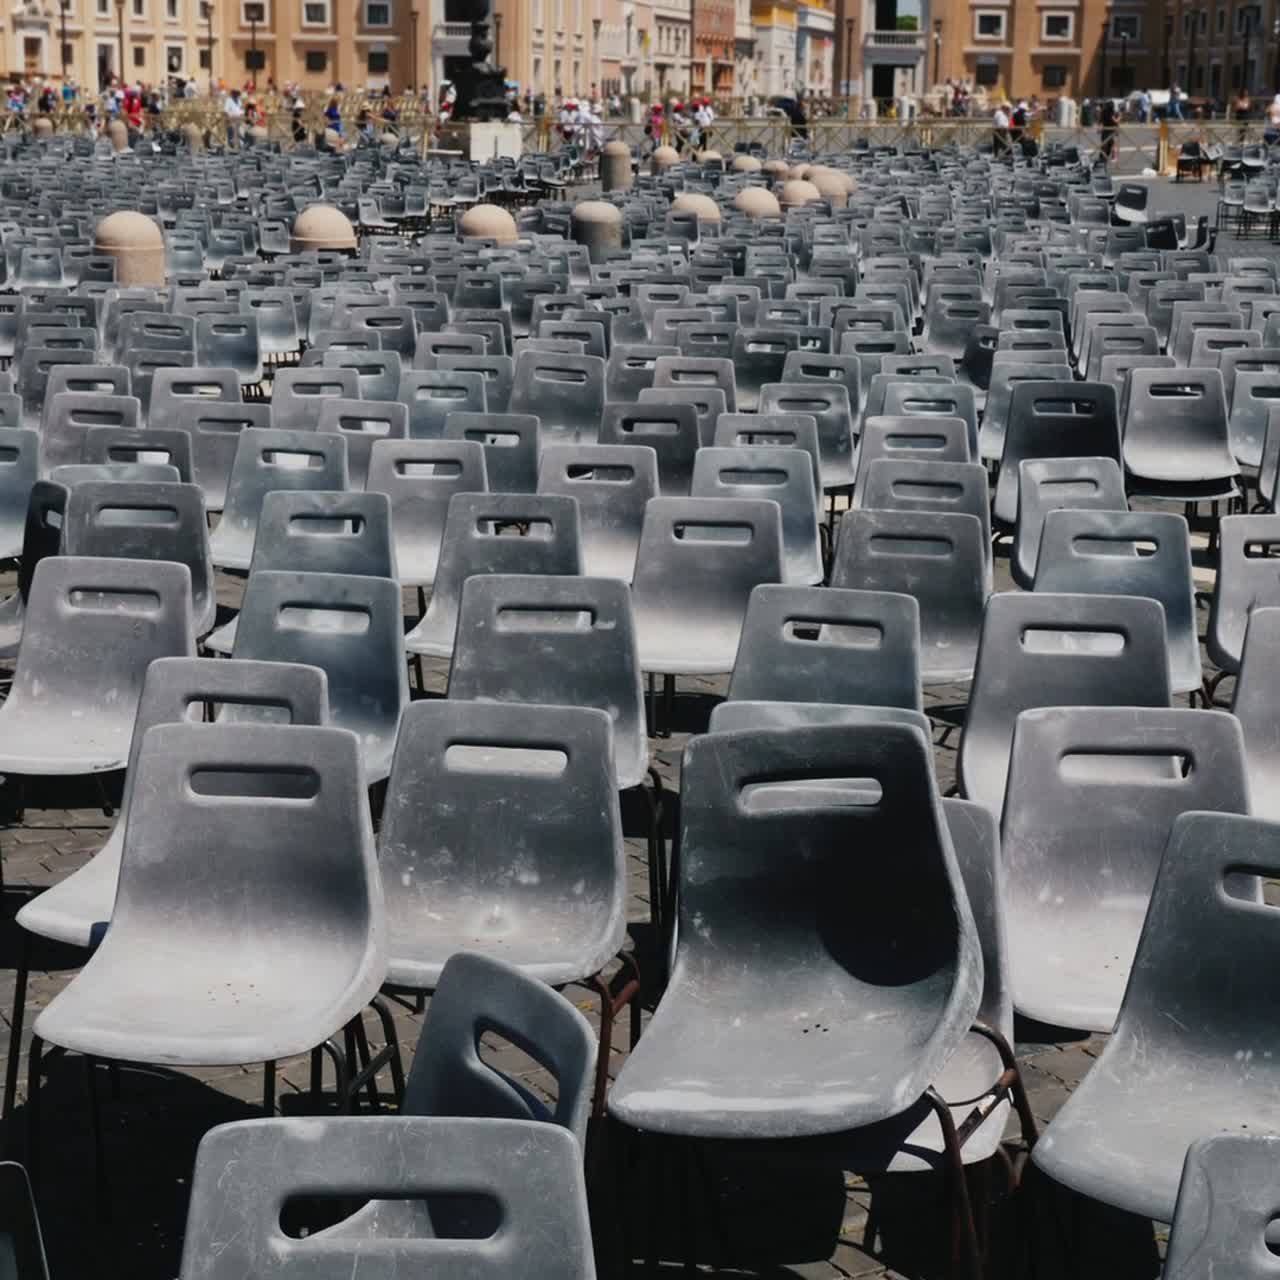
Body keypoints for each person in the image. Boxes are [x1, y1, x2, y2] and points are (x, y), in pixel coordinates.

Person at [1099, 96, 1118, 162]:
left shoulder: (1103, 111)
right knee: (1113, 145)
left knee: (1105, 144)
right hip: (1113, 130)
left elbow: (1101, 120)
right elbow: (1115, 121)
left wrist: (1100, 128)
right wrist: (1120, 118)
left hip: (1106, 130)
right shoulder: (1112, 112)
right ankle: (1114, 157)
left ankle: (1104, 157)